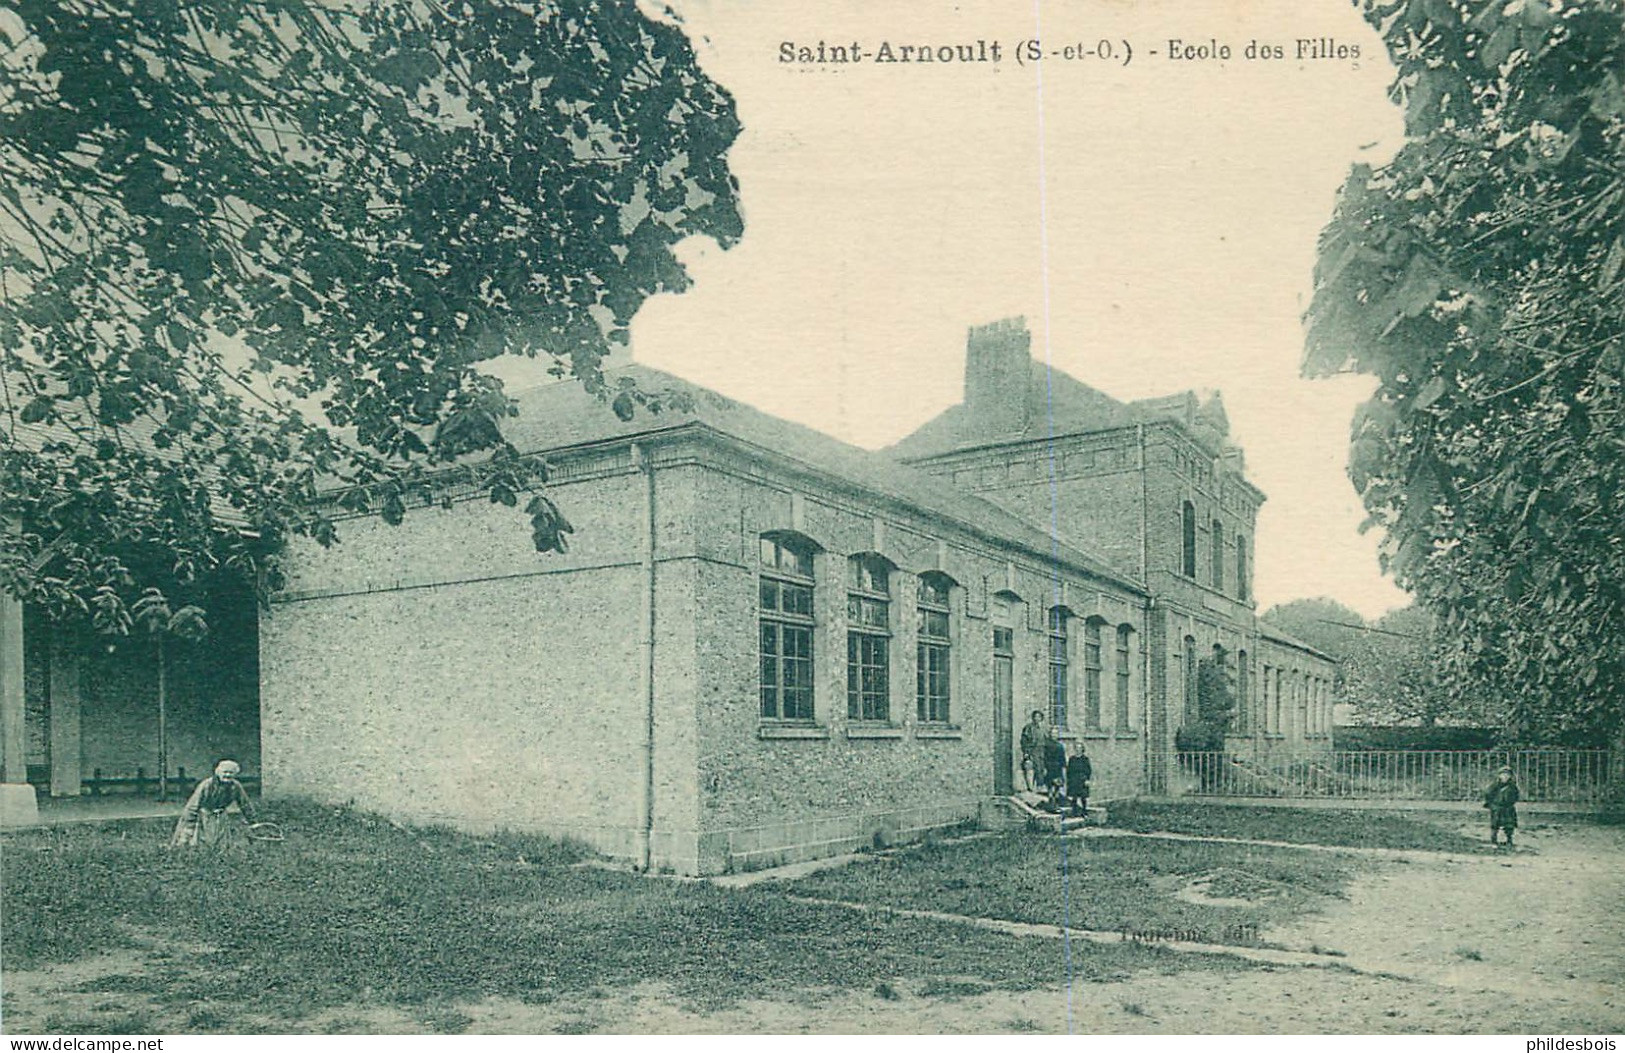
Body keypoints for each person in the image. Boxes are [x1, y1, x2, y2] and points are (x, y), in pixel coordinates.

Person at [169, 759, 260, 849]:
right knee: (200, 843)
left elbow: (245, 804)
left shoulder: (235, 786)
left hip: (221, 817)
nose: (227, 775)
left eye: (231, 773)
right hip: (204, 816)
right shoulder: (207, 785)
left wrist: (253, 821)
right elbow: (193, 806)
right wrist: (188, 826)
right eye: (225, 772)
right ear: (218, 772)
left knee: (222, 844)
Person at [1483, 765, 1520, 848]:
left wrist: (1511, 803)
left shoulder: (1512, 786)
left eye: (1508, 775)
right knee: (1495, 825)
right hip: (1497, 808)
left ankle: (1509, 840)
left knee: (1509, 825)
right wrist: (1491, 804)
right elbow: (1488, 794)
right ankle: (1494, 841)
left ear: (1510, 776)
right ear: (1499, 775)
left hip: (1508, 808)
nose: (1505, 776)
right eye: (1503, 774)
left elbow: (1516, 795)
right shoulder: (1495, 785)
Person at [1019, 710, 1047, 793]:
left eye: (1039, 717)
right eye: (1035, 717)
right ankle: (1030, 787)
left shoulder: (1042, 729)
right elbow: (1024, 741)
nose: (1037, 719)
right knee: (1030, 768)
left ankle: (1039, 786)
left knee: (1040, 769)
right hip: (1032, 751)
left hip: (1041, 752)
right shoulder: (1028, 728)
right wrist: (1026, 753)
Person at [1041, 725, 1068, 809]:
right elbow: (1044, 757)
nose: (1054, 735)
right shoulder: (1046, 745)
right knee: (1050, 784)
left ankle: (1055, 801)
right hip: (1050, 767)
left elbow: (1062, 758)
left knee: (1057, 785)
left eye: (1056, 733)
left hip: (1058, 768)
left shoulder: (1060, 746)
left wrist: (1063, 767)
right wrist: (1044, 767)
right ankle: (1050, 801)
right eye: (1052, 733)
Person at [1066, 743, 1093, 818]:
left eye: (1080, 748)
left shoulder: (1085, 759)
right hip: (1074, 779)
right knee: (1074, 797)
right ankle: (1074, 812)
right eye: (1077, 748)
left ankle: (1084, 812)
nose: (1078, 750)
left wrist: (1087, 779)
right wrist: (1069, 780)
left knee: (1083, 797)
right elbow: (1069, 770)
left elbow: (1088, 770)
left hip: (1082, 779)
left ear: (1082, 749)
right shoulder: (1072, 759)